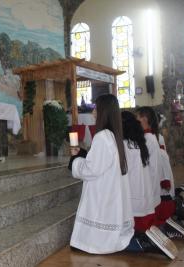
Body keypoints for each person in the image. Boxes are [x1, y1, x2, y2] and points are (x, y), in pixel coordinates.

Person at [68, 94, 134, 254]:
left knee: (91, 234)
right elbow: (100, 159)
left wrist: (75, 160)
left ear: (103, 111)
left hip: (103, 191)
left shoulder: (102, 137)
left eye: (96, 108)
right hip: (110, 189)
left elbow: (91, 169)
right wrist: (83, 153)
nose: (93, 113)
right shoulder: (114, 135)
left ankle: (97, 241)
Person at [121, 111, 178, 259]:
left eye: (138, 117)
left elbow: (152, 169)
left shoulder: (142, 140)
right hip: (147, 194)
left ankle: (145, 243)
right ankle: (156, 234)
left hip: (144, 195)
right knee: (145, 224)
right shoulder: (146, 139)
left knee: (128, 237)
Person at [136, 107, 184, 240]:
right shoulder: (150, 137)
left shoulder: (149, 139)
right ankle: (175, 209)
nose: (135, 122)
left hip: (157, 195)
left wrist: (162, 181)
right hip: (157, 193)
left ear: (144, 119)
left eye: (137, 118)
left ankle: (168, 223)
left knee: (147, 223)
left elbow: (153, 167)